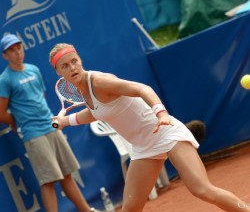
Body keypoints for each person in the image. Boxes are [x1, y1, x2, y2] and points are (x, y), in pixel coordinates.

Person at [49, 42, 250, 212]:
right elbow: (96, 112)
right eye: (65, 66)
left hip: (164, 132)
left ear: (80, 60)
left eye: (74, 61)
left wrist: (160, 113)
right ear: (58, 72)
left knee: (202, 190)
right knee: (130, 209)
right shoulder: (83, 92)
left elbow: (141, 89)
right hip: (143, 147)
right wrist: (66, 121)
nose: (72, 67)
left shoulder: (100, 81)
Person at [0, 34, 99, 212]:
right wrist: (18, 119)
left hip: (51, 126)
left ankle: (87, 211)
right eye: (11, 50)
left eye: (18, 48)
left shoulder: (33, 70)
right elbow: (1, 112)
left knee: (67, 175)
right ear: (5, 56)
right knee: (48, 181)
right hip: (33, 134)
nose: (17, 53)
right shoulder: (5, 80)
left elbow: (41, 97)